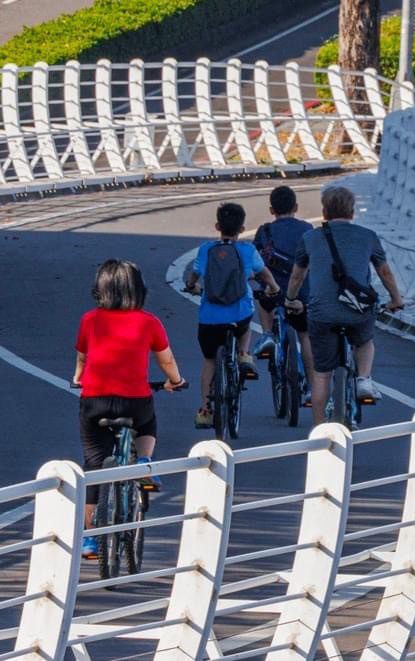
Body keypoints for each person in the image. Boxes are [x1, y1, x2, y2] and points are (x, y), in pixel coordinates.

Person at [72, 259, 186, 560]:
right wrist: (176, 381)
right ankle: (145, 463)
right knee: (147, 425)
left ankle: (91, 541)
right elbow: (166, 360)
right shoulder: (149, 322)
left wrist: (77, 378)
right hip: (135, 401)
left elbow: (82, 358)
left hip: (95, 402)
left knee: (94, 467)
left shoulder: (89, 320)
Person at [287, 185, 406, 417]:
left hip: (321, 312)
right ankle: (363, 379)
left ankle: (320, 432)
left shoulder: (310, 238)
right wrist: (396, 299)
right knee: (364, 340)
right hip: (358, 311)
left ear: (324, 212)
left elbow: (297, 275)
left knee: (322, 375)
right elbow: (384, 273)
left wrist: (290, 299)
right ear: (352, 212)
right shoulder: (368, 236)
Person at [183, 201, 280, 429]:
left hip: (209, 317)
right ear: (241, 228)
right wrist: (274, 287)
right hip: (238, 314)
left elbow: (194, 275)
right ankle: (244, 354)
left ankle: (205, 410)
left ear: (218, 226)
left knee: (209, 361)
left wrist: (191, 286)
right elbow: (263, 274)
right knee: (246, 321)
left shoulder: (206, 249)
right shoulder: (247, 250)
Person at [253, 184, 313, 374]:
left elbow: (255, 262)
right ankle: (313, 388)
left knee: (262, 302)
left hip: (274, 292)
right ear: (296, 207)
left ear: (272, 210)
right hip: (301, 295)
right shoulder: (308, 229)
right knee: (305, 335)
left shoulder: (264, 231)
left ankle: (268, 334)